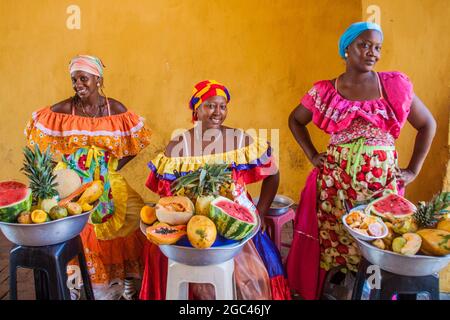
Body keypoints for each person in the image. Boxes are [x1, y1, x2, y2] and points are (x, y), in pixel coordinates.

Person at [285, 22, 436, 300]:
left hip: (380, 189)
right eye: (363, 45)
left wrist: (413, 169)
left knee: (378, 241)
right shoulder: (325, 91)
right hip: (334, 188)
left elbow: (428, 124)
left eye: (377, 47)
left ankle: (373, 292)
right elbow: (295, 120)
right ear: (346, 49)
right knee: (336, 246)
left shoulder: (393, 86)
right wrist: (312, 154)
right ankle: (342, 291)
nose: (372, 53)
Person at [139, 80, 291, 300]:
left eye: (222, 106)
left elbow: (273, 173)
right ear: (196, 109)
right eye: (210, 105)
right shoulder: (177, 146)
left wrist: (261, 211)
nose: (217, 112)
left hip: (236, 226)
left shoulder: (240, 140)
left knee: (255, 278)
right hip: (193, 225)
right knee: (162, 259)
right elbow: (168, 195)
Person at [24, 55, 152, 300]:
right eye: (74, 79)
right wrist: (61, 167)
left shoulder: (115, 109)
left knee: (132, 218)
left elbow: (137, 143)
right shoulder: (64, 109)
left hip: (107, 178)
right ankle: (78, 283)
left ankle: (124, 279)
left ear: (98, 79)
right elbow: (36, 135)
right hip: (73, 182)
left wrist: (113, 166)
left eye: (84, 78)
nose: (78, 84)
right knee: (80, 230)